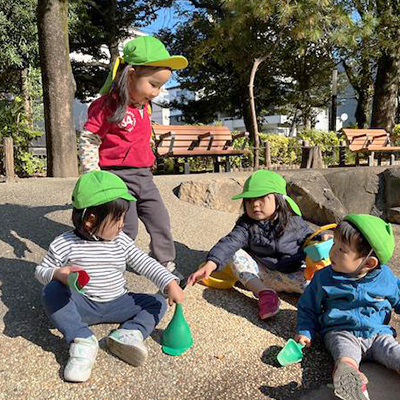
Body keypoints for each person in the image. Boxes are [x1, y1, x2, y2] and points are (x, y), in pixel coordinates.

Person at [35, 170, 184, 383]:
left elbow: (145, 262)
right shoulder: (64, 243)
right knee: (51, 291)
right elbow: (41, 271)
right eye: (117, 218)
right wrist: (57, 274)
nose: (123, 224)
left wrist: (168, 281)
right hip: (83, 304)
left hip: (118, 302)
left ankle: (129, 334)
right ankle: (82, 340)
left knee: (158, 301)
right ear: (90, 220)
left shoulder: (120, 241)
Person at [78, 35, 188, 279]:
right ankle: (111, 263)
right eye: (153, 84)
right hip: (116, 177)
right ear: (130, 75)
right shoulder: (107, 105)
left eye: (160, 86)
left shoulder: (143, 106)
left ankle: (164, 261)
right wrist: (93, 175)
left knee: (159, 218)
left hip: (144, 176)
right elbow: (90, 138)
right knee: (126, 226)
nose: (156, 92)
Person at [296, 214, 400, 400]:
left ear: (369, 263)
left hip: (378, 334)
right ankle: (351, 379)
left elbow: (398, 298)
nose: (332, 252)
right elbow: (307, 306)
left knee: (394, 353)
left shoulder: (385, 278)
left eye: (341, 249)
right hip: (341, 331)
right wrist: (305, 329)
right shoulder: (324, 278)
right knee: (345, 355)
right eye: (334, 244)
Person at [187, 169, 316, 320]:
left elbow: (311, 238)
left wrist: (322, 239)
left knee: (319, 283)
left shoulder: (294, 222)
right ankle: (265, 294)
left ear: (278, 199)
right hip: (262, 277)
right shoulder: (246, 225)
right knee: (235, 254)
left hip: (294, 275)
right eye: (249, 200)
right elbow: (230, 242)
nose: (255, 204)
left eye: (261, 198)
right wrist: (211, 263)